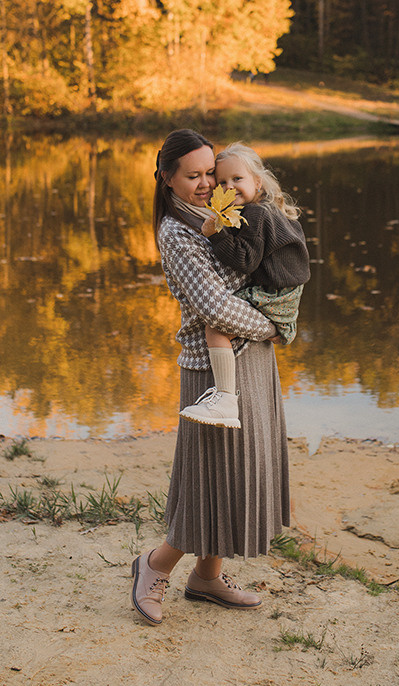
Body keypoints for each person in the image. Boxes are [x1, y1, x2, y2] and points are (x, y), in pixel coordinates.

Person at [130, 129, 290, 626]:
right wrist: (275, 324)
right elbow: (211, 305)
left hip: (252, 360)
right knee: (206, 478)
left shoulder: (221, 215)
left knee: (234, 475)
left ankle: (206, 578)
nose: (205, 184)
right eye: (193, 175)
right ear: (167, 179)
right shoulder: (178, 233)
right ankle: (153, 567)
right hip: (211, 369)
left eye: (209, 174)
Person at [179, 142, 310, 428]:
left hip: (275, 293)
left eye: (237, 179)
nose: (230, 187)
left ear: (257, 181)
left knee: (215, 325)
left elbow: (245, 261)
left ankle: (226, 397)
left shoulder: (255, 215)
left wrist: (215, 236)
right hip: (289, 293)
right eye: (222, 182)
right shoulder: (272, 210)